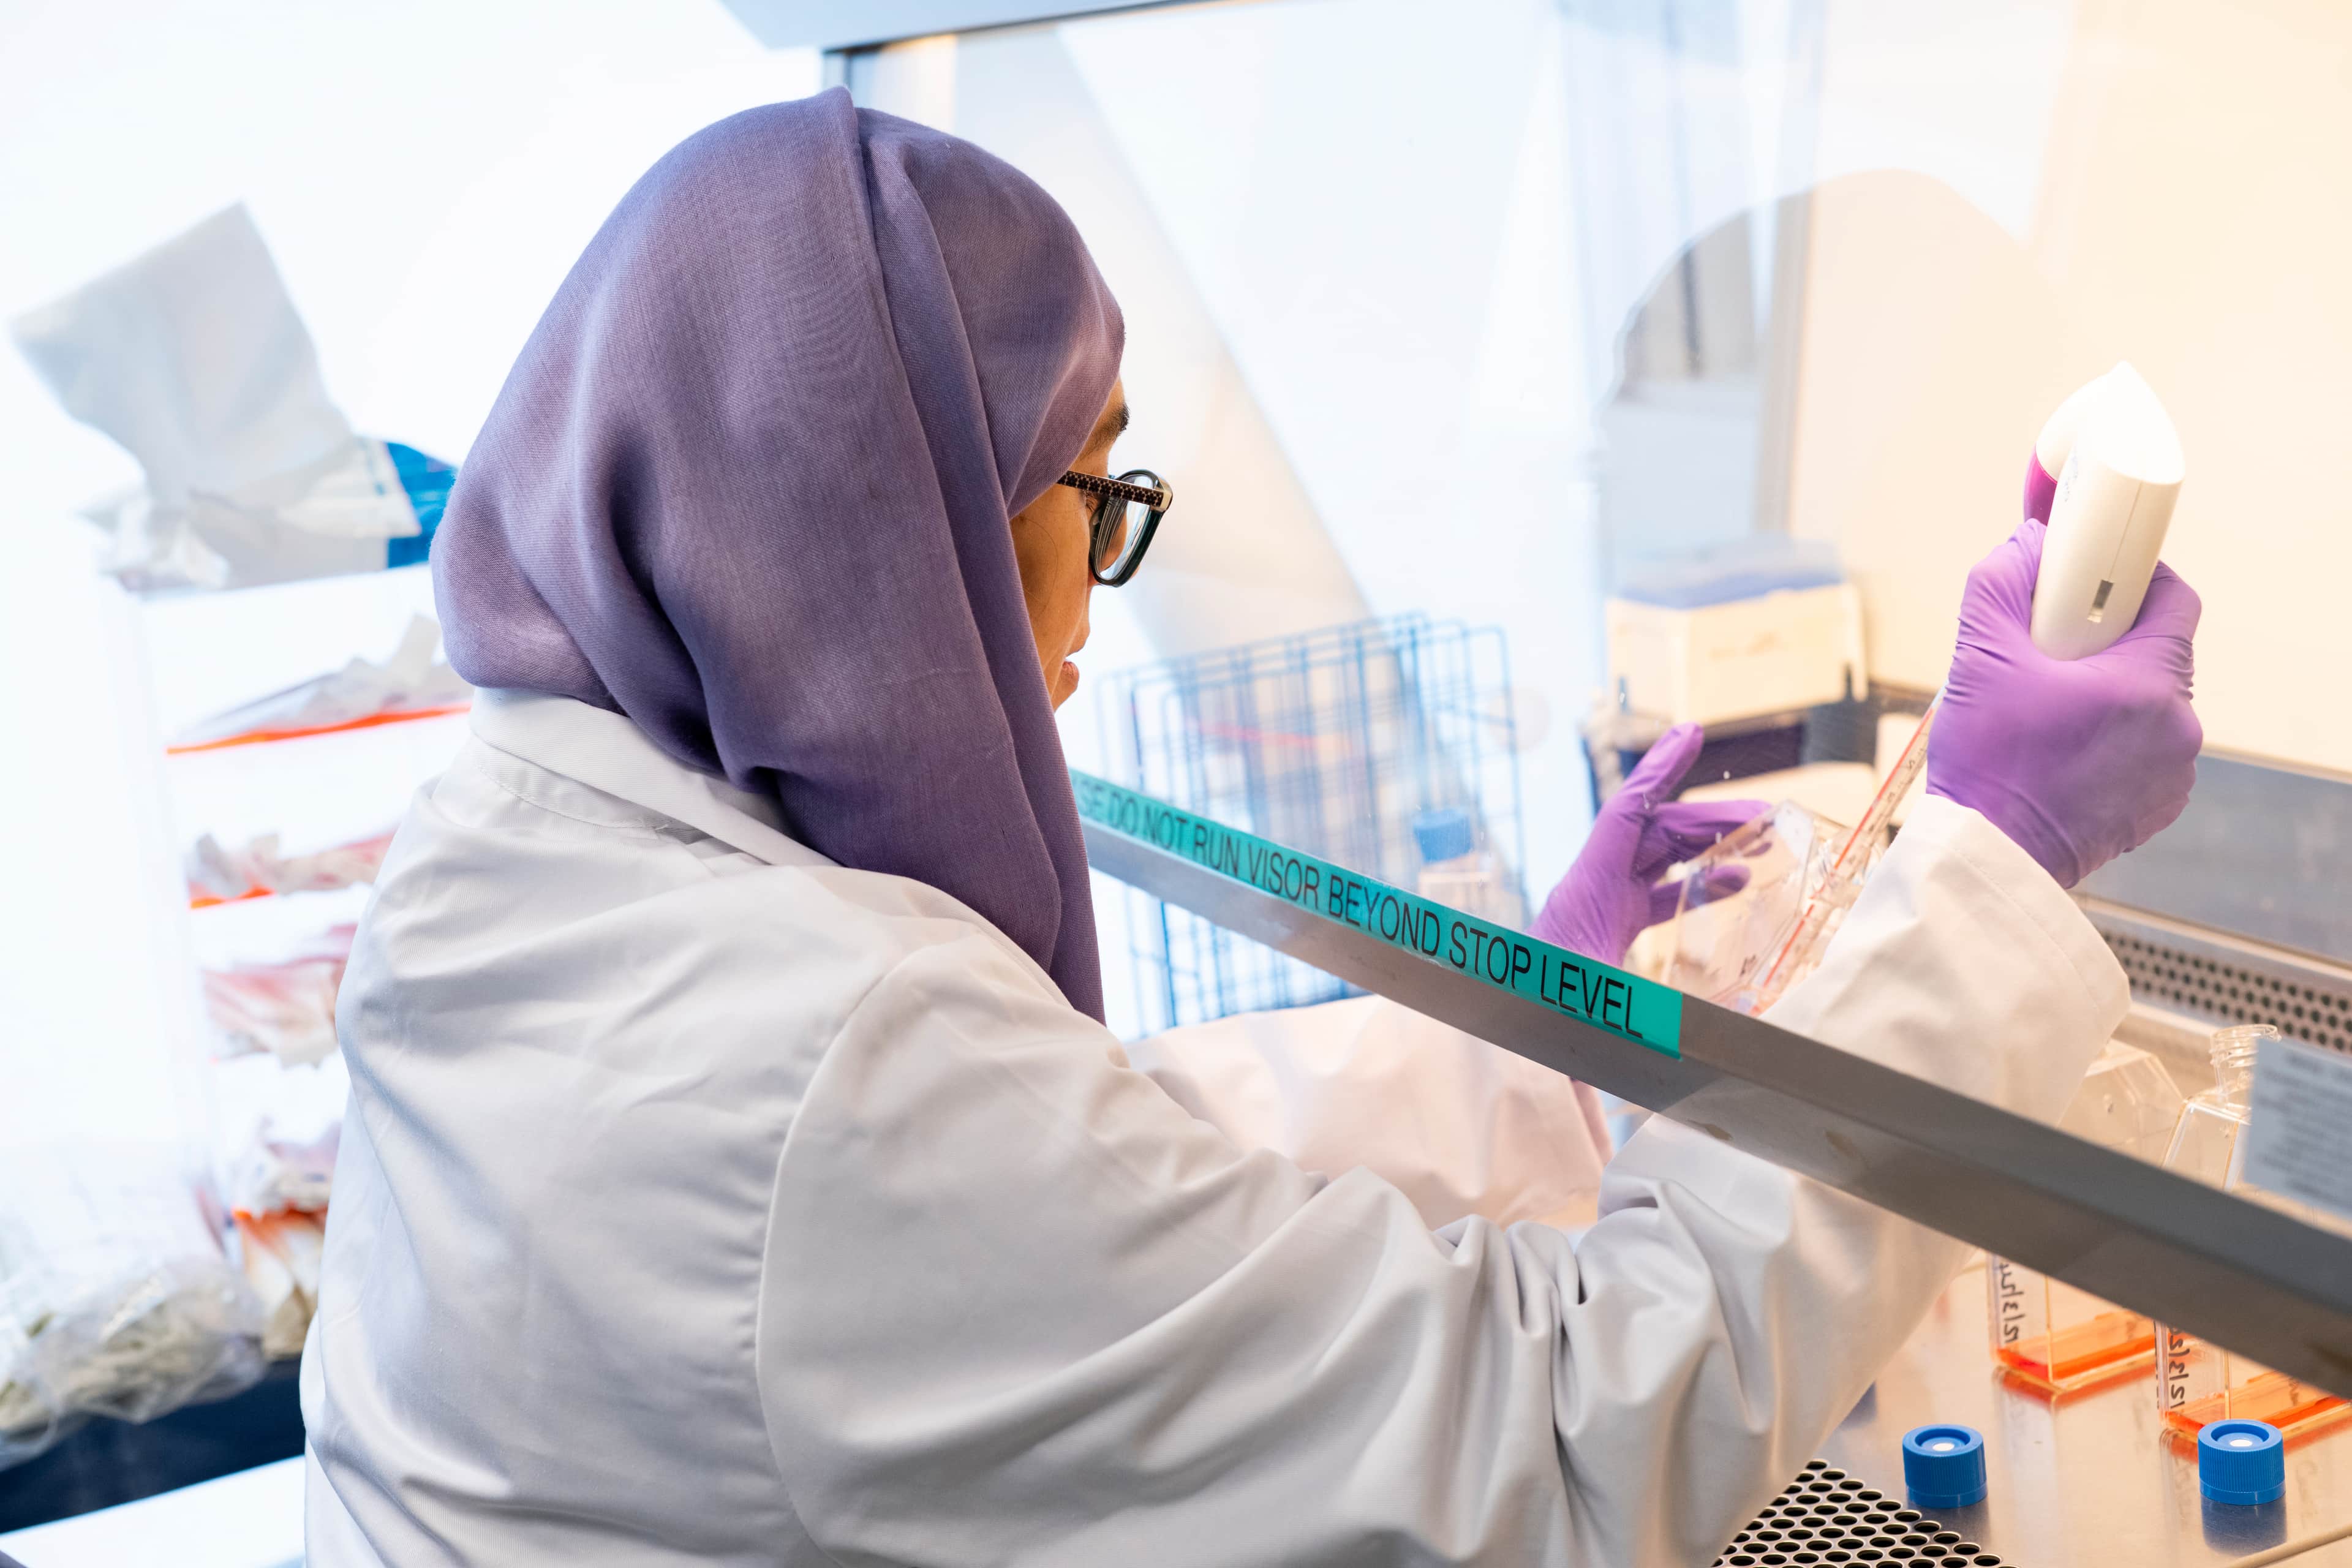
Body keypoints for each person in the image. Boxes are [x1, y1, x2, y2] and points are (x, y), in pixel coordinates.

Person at [301, 91, 2201, 1567]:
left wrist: (1533, 1026)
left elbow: (1078, 1182)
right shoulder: (826, 1060)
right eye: (1088, 487)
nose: (1099, 579)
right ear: (893, 536)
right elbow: (1555, 1439)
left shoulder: (516, 843)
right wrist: (1997, 859)